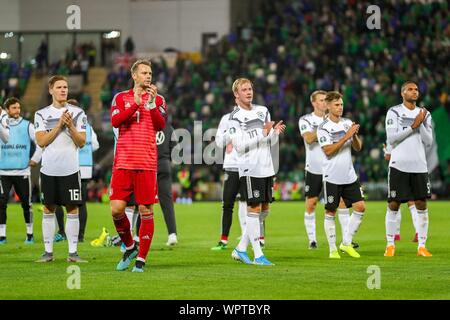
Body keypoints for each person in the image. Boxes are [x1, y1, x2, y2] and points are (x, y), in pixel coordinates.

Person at [110, 59, 166, 273]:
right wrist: (135, 103)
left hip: (146, 162)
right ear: (134, 76)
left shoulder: (158, 99)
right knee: (116, 209)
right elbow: (116, 122)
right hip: (123, 162)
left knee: (145, 209)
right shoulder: (121, 97)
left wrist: (150, 104)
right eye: (144, 72)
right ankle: (131, 247)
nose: (148, 76)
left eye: (150, 72)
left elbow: (160, 125)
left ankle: (141, 259)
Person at [227, 78, 285, 266]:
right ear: (236, 94)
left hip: (266, 166)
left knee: (264, 211)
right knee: (254, 209)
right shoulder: (234, 118)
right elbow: (240, 146)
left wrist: (274, 133)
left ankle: (241, 248)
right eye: (244, 89)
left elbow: (270, 141)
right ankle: (258, 255)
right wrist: (262, 133)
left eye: (250, 88)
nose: (248, 92)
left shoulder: (263, 111)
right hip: (250, 167)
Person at [34, 75, 88, 263]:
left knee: (73, 210)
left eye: (65, 87)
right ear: (51, 90)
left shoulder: (78, 113)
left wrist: (71, 125)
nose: (63, 90)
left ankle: (73, 253)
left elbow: (81, 142)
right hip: (49, 170)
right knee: (48, 209)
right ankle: (48, 253)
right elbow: (41, 142)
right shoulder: (41, 114)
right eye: (59, 87)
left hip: (70, 170)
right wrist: (59, 125)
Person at [299, 91, 359, 250]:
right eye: (321, 100)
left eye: (326, 100)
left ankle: (347, 241)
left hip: (332, 169)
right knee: (311, 204)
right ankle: (312, 240)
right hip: (314, 168)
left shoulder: (338, 121)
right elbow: (309, 139)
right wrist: (325, 127)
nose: (324, 103)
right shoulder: (306, 120)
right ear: (314, 103)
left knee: (341, 204)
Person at [384, 81, 433, 257]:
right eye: (410, 89)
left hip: (419, 166)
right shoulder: (394, 112)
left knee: (421, 204)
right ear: (402, 93)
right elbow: (391, 139)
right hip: (399, 165)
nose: (414, 92)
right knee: (394, 204)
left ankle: (422, 246)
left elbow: (429, 142)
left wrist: (419, 123)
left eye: (416, 89)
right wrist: (413, 126)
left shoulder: (425, 114)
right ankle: (390, 245)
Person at [317, 91, 365, 259]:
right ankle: (332, 250)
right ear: (328, 106)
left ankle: (346, 242)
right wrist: (346, 136)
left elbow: (358, 148)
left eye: (341, 104)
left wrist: (355, 135)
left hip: (349, 175)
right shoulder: (323, 128)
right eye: (337, 105)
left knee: (360, 207)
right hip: (332, 176)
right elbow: (328, 151)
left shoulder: (347, 123)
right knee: (331, 212)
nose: (340, 107)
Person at [54, 99, 99, 243]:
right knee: (81, 202)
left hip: (69, 167)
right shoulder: (89, 127)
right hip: (86, 168)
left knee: (58, 200)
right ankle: (80, 236)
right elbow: (96, 145)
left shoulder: (64, 125)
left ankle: (62, 231)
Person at [0, 98, 42, 244]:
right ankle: (2, 236)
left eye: (18, 107)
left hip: (22, 172)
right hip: (3, 173)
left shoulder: (27, 126)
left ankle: (30, 235)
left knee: (26, 203)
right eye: (13, 108)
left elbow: (40, 143)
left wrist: (35, 158)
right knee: (1, 203)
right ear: (6, 110)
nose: (17, 110)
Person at [211, 108, 248, 251]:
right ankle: (223, 240)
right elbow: (220, 142)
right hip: (232, 166)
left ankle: (254, 238)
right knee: (227, 204)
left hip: (249, 165)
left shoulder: (255, 115)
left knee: (251, 203)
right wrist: (231, 131)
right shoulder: (226, 118)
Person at [383, 142, 418, 242]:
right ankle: (418, 232)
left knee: (394, 202)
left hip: (398, 169)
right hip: (414, 168)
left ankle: (395, 234)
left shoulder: (392, 135)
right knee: (412, 202)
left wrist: (386, 151)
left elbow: (388, 157)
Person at [155, 122, 178, 246]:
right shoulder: (169, 127)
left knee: (142, 201)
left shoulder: (146, 124)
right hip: (164, 165)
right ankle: (172, 234)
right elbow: (175, 152)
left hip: (149, 165)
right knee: (167, 202)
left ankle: (137, 236)